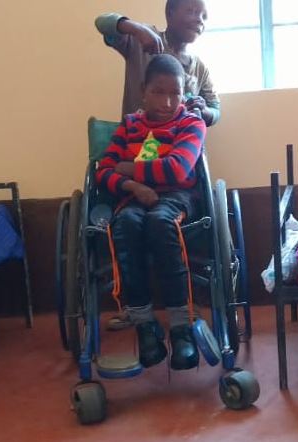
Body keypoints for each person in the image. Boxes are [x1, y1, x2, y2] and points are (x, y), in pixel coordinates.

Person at [94, 56, 206, 370]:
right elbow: (103, 172)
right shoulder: (129, 126)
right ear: (144, 90)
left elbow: (177, 169)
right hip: (133, 197)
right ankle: (145, 326)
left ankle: (181, 329)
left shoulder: (191, 123)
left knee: (160, 222)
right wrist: (133, 186)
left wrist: (129, 168)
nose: (168, 102)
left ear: (184, 92)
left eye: (176, 93)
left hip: (177, 197)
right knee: (125, 224)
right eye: (159, 92)